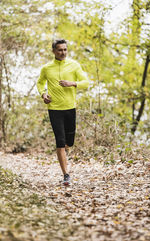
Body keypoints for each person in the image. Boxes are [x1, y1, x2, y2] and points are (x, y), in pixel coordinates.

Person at [37, 39, 89, 186]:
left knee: (69, 142)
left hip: (70, 108)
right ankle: (66, 175)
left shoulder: (74, 65)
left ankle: (65, 150)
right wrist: (43, 94)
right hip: (54, 109)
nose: (63, 52)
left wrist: (72, 83)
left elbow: (86, 82)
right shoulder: (47, 68)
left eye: (65, 49)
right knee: (60, 142)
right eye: (60, 50)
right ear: (53, 51)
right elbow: (40, 82)